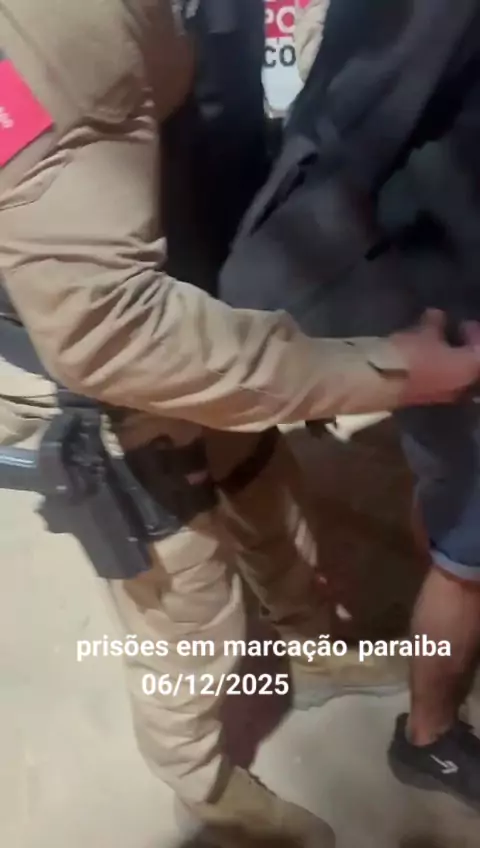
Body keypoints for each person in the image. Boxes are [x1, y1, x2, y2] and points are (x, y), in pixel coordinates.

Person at [1, 2, 480, 846]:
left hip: (189, 281)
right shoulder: (38, 35)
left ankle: (309, 647)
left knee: (263, 491)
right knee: (185, 611)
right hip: (97, 355)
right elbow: (107, 333)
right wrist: (390, 370)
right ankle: (205, 787)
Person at [293, 0, 480, 810]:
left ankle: (438, 588)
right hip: (457, 306)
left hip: (424, 277)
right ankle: (429, 739)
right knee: (469, 555)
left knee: (448, 503)